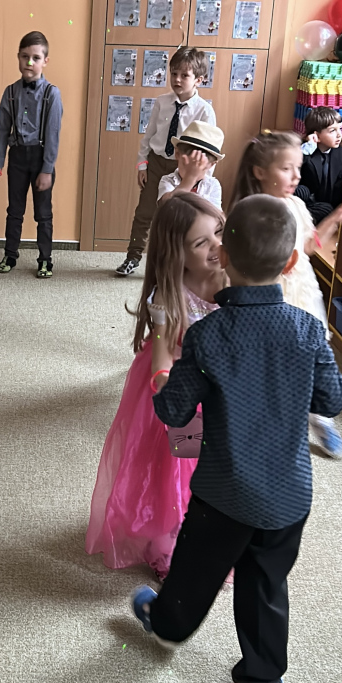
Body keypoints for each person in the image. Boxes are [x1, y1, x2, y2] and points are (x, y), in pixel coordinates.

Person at [132, 196, 342, 683]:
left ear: (225, 257)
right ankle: (266, 680)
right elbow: (333, 399)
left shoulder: (207, 335)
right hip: (289, 496)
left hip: (223, 495)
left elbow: (174, 409)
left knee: (194, 573)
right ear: (291, 261)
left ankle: (167, 626)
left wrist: (164, 381)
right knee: (266, 582)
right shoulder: (307, 329)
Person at [86, 194, 226, 578]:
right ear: (177, 253)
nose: (217, 246)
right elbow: (162, 356)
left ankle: (213, 533)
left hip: (224, 393)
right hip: (182, 395)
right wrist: (170, 389)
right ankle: (170, 541)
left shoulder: (233, 279)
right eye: (202, 243)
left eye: (219, 233)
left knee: (219, 470)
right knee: (180, 471)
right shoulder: (168, 294)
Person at [230, 131, 342, 458]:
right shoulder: (252, 211)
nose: (296, 176)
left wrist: (337, 216)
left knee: (313, 356)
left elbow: (308, 247)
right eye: (286, 168)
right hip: (272, 299)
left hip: (304, 293)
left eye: (298, 168)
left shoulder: (297, 204)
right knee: (275, 365)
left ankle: (320, 417)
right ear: (260, 171)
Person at [115, 47, 216, 277]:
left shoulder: (205, 111)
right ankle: (133, 257)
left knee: (178, 219)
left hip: (185, 171)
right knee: (144, 213)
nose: (177, 79)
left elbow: (208, 150)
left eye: (184, 75)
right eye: (174, 73)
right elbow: (148, 136)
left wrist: (202, 180)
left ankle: (172, 263)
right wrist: (142, 165)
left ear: (199, 80)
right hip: (157, 163)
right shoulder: (162, 102)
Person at [0, 31, 63, 279]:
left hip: (42, 158)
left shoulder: (52, 94)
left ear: (45, 61)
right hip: (18, 157)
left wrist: (47, 169)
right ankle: (10, 255)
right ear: (18, 58)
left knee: (43, 213)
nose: (29, 62)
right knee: (14, 210)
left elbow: (53, 133)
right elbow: (1, 129)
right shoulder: (10, 92)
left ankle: (45, 260)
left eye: (36, 57)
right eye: (24, 56)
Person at [297, 107, 342, 223]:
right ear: (316, 135)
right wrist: (308, 149)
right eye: (332, 131)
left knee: (327, 209)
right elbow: (294, 167)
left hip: (320, 206)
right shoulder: (303, 150)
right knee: (301, 191)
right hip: (301, 202)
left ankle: (308, 220)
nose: (339, 135)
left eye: (340, 129)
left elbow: (336, 190)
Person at [156, 120, 224, 209]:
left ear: (211, 165)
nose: (192, 171)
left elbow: (215, 214)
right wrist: (190, 178)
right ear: (177, 154)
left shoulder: (212, 185)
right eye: (187, 165)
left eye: (199, 167)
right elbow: (166, 206)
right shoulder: (167, 181)